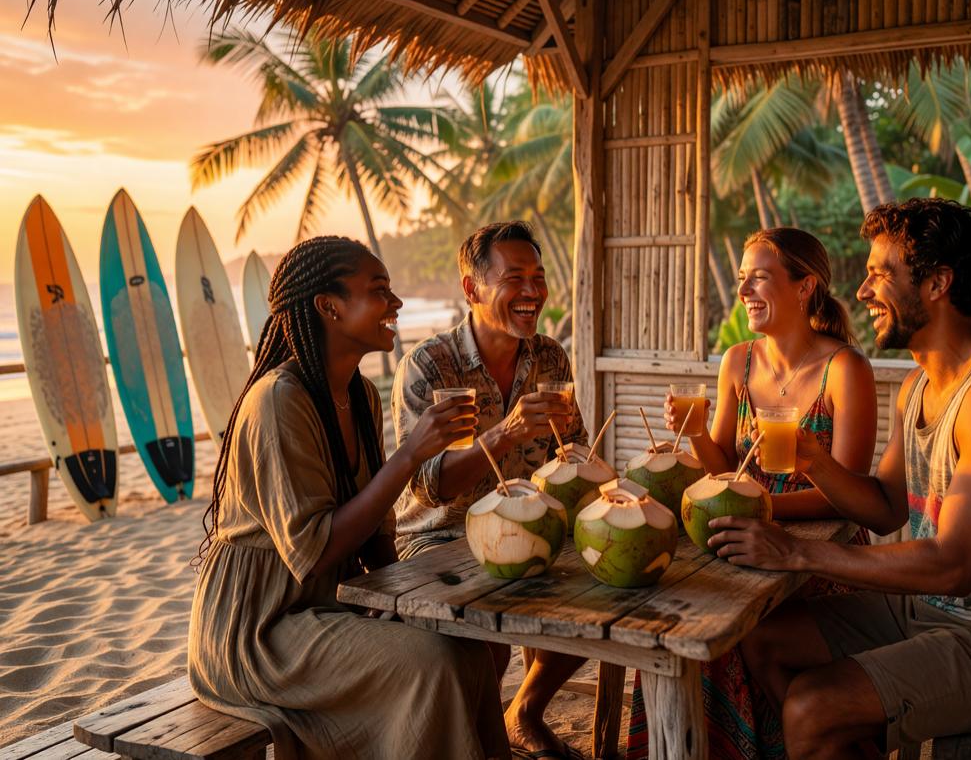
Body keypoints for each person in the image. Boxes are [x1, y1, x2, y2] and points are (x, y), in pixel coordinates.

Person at [712, 199, 971, 758]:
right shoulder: (919, 386)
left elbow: (953, 564)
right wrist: (814, 461)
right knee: (764, 640)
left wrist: (799, 553)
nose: (862, 293)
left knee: (813, 707)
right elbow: (887, 506)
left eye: (880, 275)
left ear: (938, 283)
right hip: (940, 613)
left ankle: (825, 732)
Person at [188, 236, 509, 760]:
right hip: (259, 627)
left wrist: (398, 600)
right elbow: (314, 549)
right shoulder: (279, 401)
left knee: (465, 645)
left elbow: (376, 530)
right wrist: (410, 455)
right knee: (431, 662)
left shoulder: (359, 394)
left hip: (324, 603)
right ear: (329, 307)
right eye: (379, 290)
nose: (397, 304)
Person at [626, 227, 879, 760]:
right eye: (741, 279)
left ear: (806, 286)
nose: (743, 291)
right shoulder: (738, 361)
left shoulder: (845, 369)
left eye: (758, 278)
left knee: (733, 635)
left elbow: (850, 495)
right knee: (685, 623)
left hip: (823, 559)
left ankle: (821, 741)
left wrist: (761, 510)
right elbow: (721, 469)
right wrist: (696, 433)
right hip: (744, 542)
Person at [392, 221, 586, 760]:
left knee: (608, 595)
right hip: (440, 537)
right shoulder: (430, 365)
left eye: (539, 277)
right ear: (471, 289)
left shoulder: (549, 358)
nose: (532, 291)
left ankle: (523, 712)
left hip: (530, 520)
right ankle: (487, 742)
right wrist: (507, 433)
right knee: (484, 644)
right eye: (515, 278)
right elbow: (429, 489)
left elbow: (574, 448)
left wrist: (585, 467)